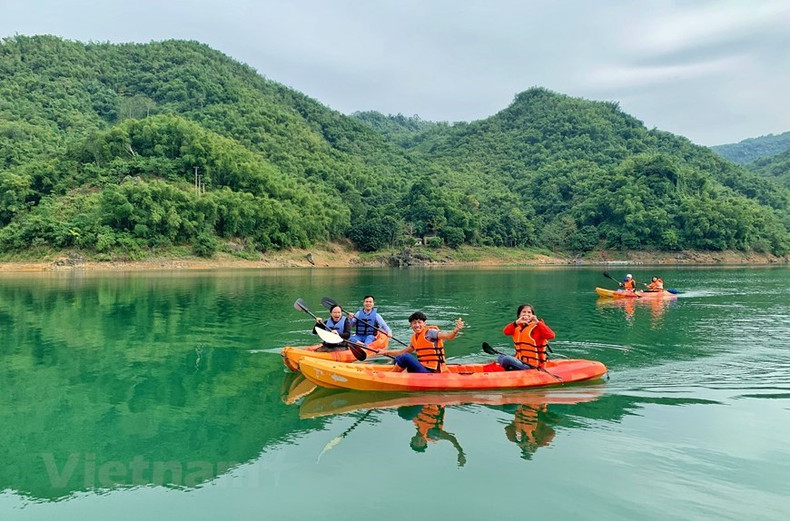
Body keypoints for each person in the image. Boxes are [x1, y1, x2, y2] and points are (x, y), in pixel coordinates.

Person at [385, 311, 464, 373]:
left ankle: (390, 375)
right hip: (423, 367)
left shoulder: (431, 332)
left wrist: (455, 330)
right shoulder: (415, 337)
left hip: (432, 370)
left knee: (405, 357)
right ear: (411, 325)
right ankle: (400, 374)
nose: (417, 325)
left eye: (419, 322)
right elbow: (402, 351)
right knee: (398, 358)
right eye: (414, 323)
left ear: (424, 323)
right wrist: (384, 352)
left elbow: (448, 337)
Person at [398, 404, 466, 467]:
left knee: (403, 413)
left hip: (421, 404)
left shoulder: (417, 425)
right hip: (432, 404)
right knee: (407, 416)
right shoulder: (432, 435)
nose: (418, 440)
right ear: (425, 441)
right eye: (421, 442)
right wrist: (460, 451)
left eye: (416, 442)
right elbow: (451, 438)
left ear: (412, 439)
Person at [499, 304, 555, 370]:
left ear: (533, 315)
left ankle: (508, 371)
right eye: (524, 312)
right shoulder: (517, 326)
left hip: (533, 366)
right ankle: (511, 369)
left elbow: (551, 335)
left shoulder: (537, 327)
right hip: (520, 361)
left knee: (506, 359)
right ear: (519, 315)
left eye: (529, 312)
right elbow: (506, 332)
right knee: (501, 357)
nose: (526, 314)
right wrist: (516, 323)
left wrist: (538, 322)